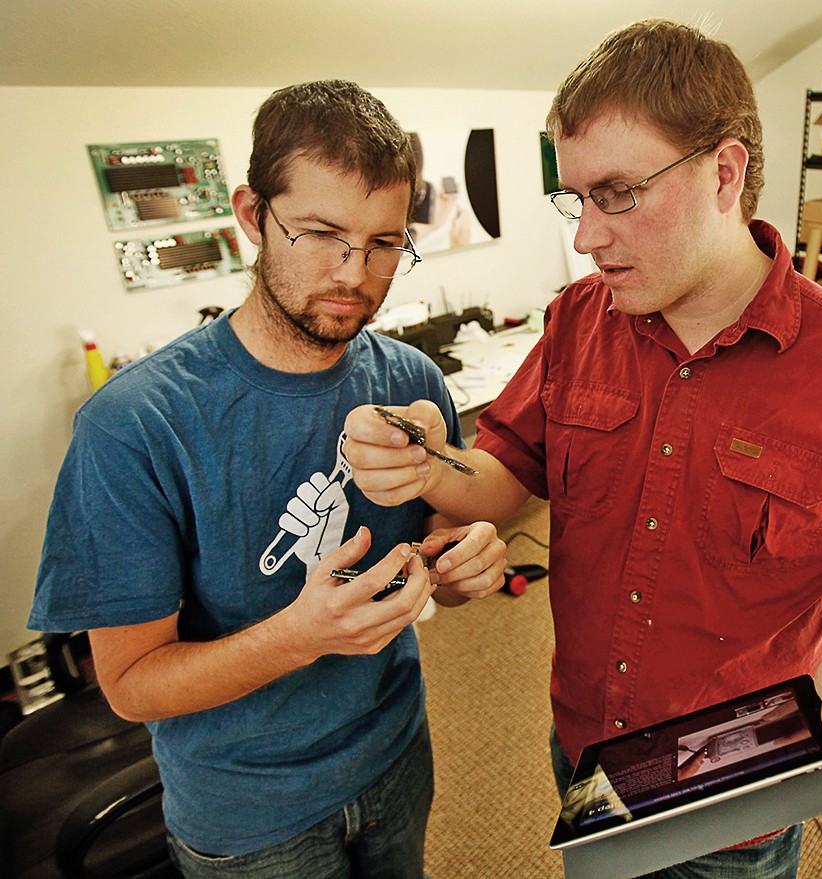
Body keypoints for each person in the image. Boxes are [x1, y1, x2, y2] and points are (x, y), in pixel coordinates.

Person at [341, 19, 822, 879]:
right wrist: (427, 458)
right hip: (587, 747)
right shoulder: (576, 321)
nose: (586, 238)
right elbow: (503, 473)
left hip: (734, 784)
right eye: (576, 200)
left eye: (617, 194)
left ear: (724, 173)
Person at [28, 80, 507, 877]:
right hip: (249, 813)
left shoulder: (411, 380)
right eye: (320, 234)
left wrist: (462, 563)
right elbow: (131, 685)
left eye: (385, 243)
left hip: (395, 753)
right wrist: (300, 635)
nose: (354, 274)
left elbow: (436, 548)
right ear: (252, 215)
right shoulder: (133, 424)